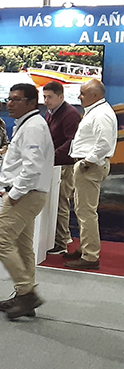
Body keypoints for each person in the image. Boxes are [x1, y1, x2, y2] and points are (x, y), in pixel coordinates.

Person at [0, 82, 54, 320]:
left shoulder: (33, 127)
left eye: (16, 99)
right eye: (9, 98)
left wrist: (15, 194)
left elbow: (32, 166)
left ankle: (26, 293)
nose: (10, 103)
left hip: (25, 195)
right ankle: (24, 296)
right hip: (28, 194)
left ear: (31, 102)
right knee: (23, 246)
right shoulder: (28, 124)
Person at [65, 78, 117, 271]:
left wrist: (87, 162)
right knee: (83, 210)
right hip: (88, 166)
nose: (79, 97)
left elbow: (103, 143)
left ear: (95, 95)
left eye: (83, 93)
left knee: (86, 212)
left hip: (90, 167)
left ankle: (90, 255)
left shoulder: (100, 114)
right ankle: (85, 248)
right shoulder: (97, 111)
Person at [41, 81, 81, 254]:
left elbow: (71, 142)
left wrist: (52, 156)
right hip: (53, 163)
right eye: (44, 96)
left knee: (60, 202)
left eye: (49, 97)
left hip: (65, 165)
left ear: (61, 96)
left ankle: (61, 241)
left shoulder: (70, 114)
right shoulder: (50, 112)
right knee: (55, 202)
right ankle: (62, 236)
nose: (46, 100)